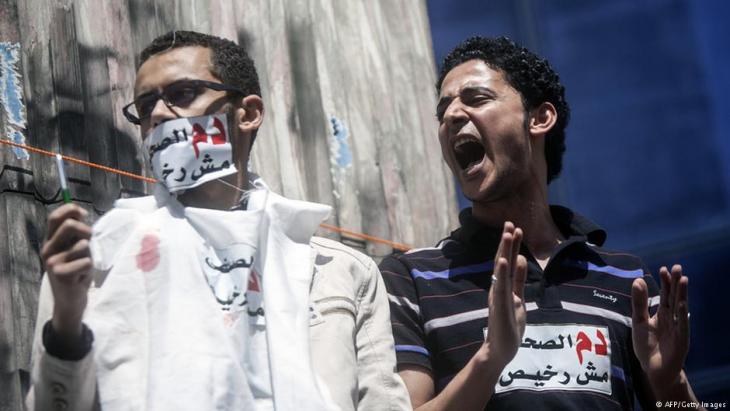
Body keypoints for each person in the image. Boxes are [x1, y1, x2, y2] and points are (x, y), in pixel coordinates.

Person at [27, 30, 410, 411]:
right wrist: (66, 320)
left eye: (182, 94)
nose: (158, 114)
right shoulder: (94, 264)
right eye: (145, 108)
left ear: (248, 114)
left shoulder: (343, 271)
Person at [381, 36, 701, 410]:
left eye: (476, 98)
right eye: (443, 110)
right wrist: (491, 358)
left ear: (539, 118)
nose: (451, 115)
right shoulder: (412, 280)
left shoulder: (627, 281)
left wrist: (669, 382)